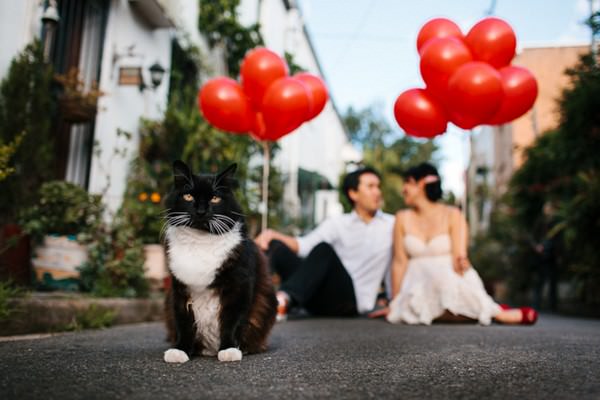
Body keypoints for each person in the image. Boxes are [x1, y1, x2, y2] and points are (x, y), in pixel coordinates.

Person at [374, 162, 537, 325]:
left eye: (407, 183)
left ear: (422, 183)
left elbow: (459, 256)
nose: (403, 189)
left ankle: (487, 309)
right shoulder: (402, 218)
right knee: (422, 299)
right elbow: (399, 262)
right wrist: (394, 303)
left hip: (448, 274)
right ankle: (490, 312)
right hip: (417, 281)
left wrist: (462, 263)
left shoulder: (453, 215)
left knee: (444, 282)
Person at [254, 167, 395, 321]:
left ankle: (281, 301)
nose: (377, 192)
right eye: (370, 186)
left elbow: (398, 263)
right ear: (353, 193)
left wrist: (394, 302)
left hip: (350, 302)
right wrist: (272, 234)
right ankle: (252, 301)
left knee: (324, 250)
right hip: (319, 296)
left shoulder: (391, 224)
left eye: (378, 186)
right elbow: (304, 246)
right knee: (275, 245)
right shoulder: (338, 223)